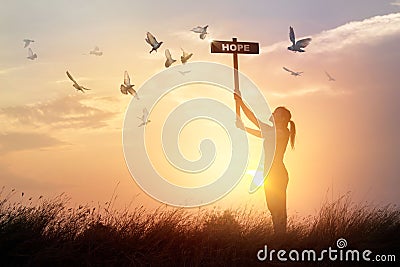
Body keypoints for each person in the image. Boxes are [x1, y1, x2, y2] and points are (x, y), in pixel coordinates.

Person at [234, 93, 296, 234]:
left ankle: (281, 237)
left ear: (283, 119)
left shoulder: (282, 133)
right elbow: (257, 127)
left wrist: (241, 105)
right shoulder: (272, 131)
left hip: (277, 174)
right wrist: (243, 125)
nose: (273, 114)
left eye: (277, 113)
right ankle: (278, 236)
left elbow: (257, 124)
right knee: (273, 207)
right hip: (269, 173)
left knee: (278, 207)